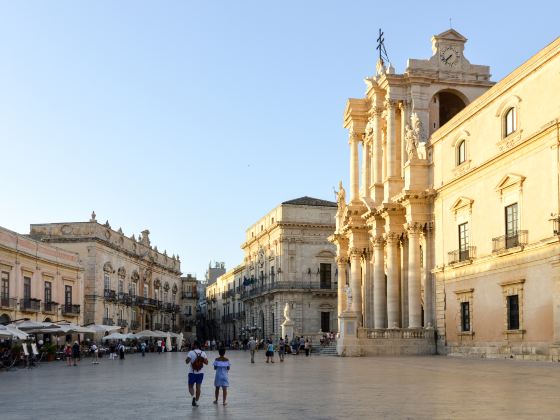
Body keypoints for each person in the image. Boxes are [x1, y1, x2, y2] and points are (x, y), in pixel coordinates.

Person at [185, 341, 208, 407]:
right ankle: (196, 401)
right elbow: (206, 363)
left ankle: (193, 397)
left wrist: (189, 359)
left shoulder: (191, 352)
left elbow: (187, 362)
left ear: (195, 345)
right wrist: (202, 359)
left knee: (190, 387)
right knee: (198, 388)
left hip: (192, 372)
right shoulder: (203, 353)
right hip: (200, 373)